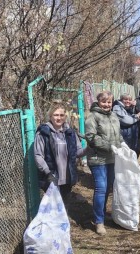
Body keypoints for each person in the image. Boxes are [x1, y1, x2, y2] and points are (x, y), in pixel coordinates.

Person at [85, 91, 124, 235]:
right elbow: (90, 136)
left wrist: (122, 145)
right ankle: (98, 221)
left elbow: (118, 134)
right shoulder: (93, 117)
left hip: (112, 158)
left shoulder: (113, 115)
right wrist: (109, 146)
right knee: (101, 188)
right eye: (104, 101)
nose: (107, 104)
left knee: (108, 188)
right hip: (97, 159)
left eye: (109, 102)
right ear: (98, 102)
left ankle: (101, 212)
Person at [34, 101, 86, 201]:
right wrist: (48, 173)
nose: (59, 118)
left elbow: (78, 153)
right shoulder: (43, 133)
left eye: (62, 115)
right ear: (50, 116)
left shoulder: (70, 132)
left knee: (64, 207)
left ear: (65, 116)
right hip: (51, 177)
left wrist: (89, 148)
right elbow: (38, 155)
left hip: (67, 178)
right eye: (56, 115)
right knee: (53, 208)